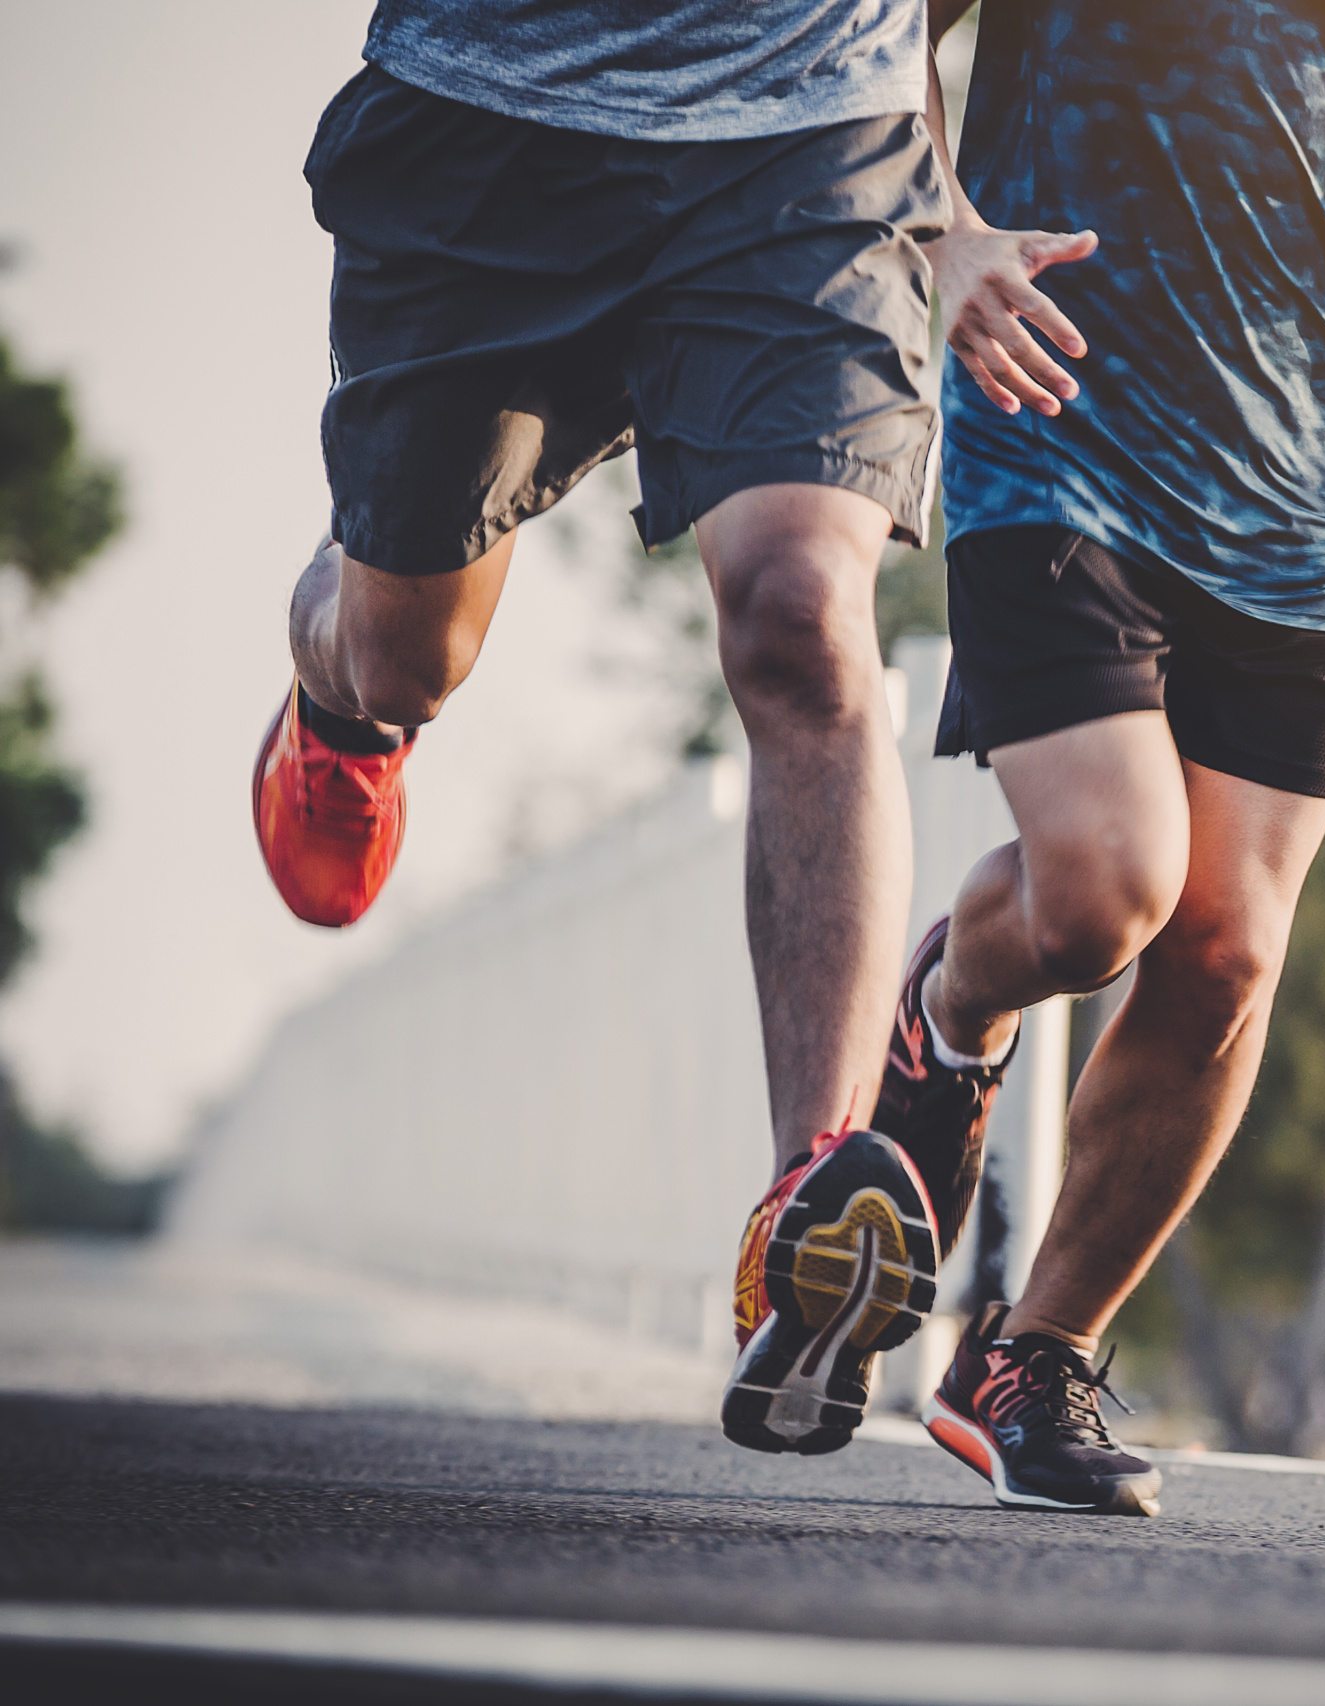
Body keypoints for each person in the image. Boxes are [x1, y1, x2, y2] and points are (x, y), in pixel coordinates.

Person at [871, 0, 1325, 1516]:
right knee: (1100, 891)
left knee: (1223, 953)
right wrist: (943, 236)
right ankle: (953, 1003)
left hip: (1322, 487)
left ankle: (1034, 1349)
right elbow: (861, 42)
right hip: (1060, 411)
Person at [249, 0, 964, 1456]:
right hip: (493, 120)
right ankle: (340, 710)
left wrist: (959, 192)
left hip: (807, 144)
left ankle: (808, 1199)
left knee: (802, 615)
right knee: (410, 654)